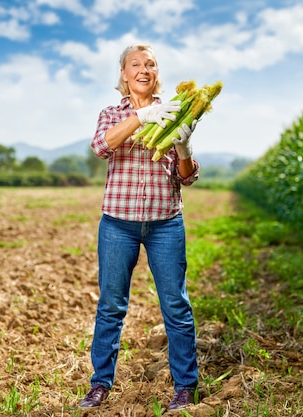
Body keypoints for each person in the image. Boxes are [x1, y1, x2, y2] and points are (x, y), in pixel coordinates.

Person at [79, 43, 199, 411]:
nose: (143, 69)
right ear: (124, 74)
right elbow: (101, 146)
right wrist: (142, 117)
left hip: (166, 224)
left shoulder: (175, 110)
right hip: (118, 224)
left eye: (150, 64)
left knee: (176, 306)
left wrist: (183, 149)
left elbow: (188, 178)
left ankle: (186, 387)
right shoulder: (111, 113)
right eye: (136, 64)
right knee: (112, 306)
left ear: (156, 73)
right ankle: (100, 384)